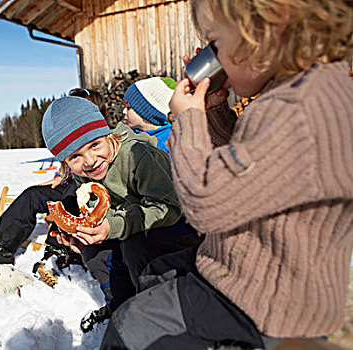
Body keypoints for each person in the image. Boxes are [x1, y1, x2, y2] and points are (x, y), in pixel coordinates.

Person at [100, 0, 353, 349]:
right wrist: (215, 111)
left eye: (215, 43)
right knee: (156, 272)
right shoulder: (297, 92)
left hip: (267, 302)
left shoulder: (300, 111)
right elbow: (244, 167)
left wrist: (187, 121)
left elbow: (207, 205)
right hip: (248, 270)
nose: (210, 58)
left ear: (267, 28)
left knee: (129, 327)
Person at [42, 96, 201, 330]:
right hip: (135, 225)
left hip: (181, 225)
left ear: (106, 134)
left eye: (94, 145)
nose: (89, 161)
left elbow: (168, 207)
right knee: (94, 253)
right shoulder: (83, 174)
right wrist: (86, 233)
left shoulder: (137, 155)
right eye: (75, 156)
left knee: (134, 246)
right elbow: (105, 211)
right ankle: (123, 308)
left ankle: (159, 317)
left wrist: (112, 227)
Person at [0, 88, 106, 265]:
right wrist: (62, 178)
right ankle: (1, 248)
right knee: (32, 195)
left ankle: (60, 251)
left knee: (68, 198)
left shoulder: (103, 139)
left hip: (87, 192)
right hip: (70, 184)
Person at [122, 77, 177, 155]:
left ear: (144, 112)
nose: (123, 111)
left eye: (128, 108)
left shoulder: (165, 144)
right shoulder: (130, 133)